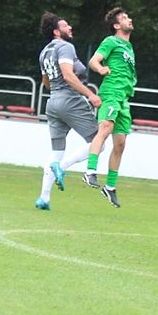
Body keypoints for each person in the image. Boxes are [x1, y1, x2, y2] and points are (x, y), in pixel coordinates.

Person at [34, 12, 103, 211]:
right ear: (57, 32)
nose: (70, 27)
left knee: (56, 151)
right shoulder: (65, 46)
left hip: (53, 102)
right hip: (70, 101)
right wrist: (90, 95)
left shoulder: (44, 52)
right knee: (99, 142)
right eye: (65, 26)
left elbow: (46, 82)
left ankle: (44, 198)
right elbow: (68, 75)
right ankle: (62, 167)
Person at [84, 7, 136, 208]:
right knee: (105, 129)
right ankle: (90, 171)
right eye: (124, 18)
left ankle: (110, 187)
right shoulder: (111, 41)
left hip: (124, 98)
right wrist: (101, 68)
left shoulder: (129, 47)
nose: (129, 19)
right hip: (112, 93)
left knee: (120, 143)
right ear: (116, 25)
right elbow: (93, 61)